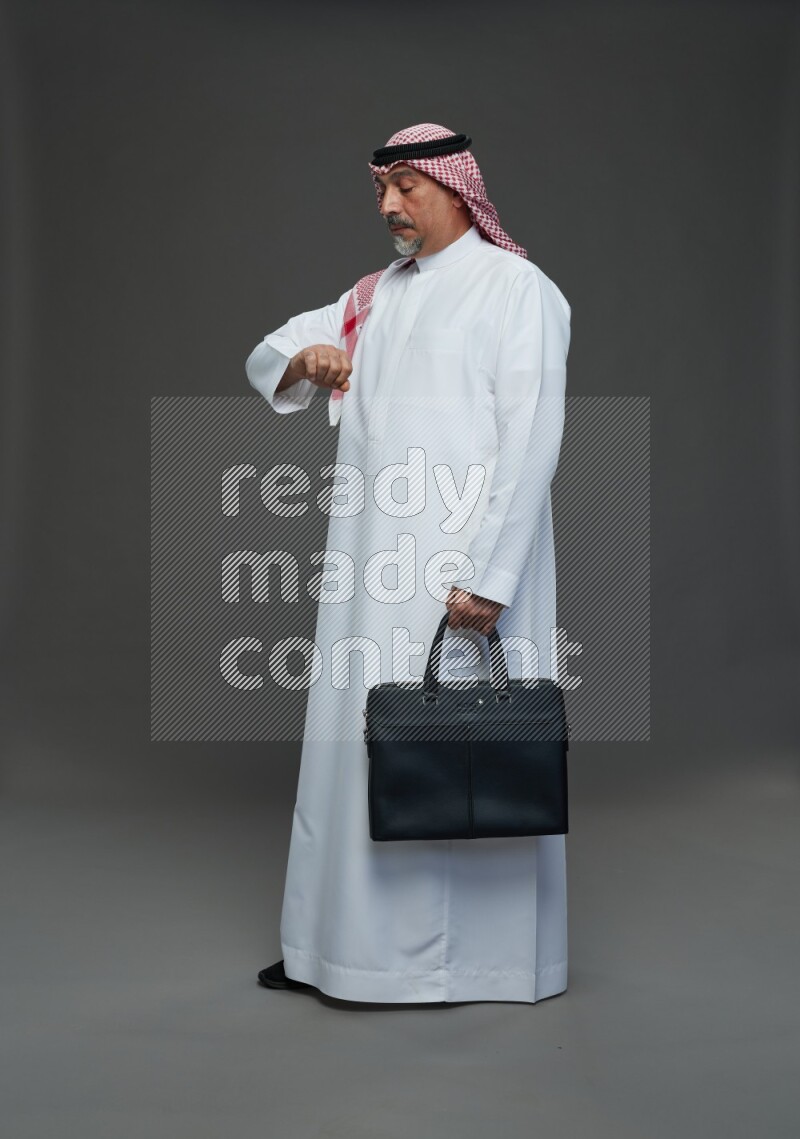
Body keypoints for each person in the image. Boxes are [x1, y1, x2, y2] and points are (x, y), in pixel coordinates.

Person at [246, 123, 572, 1004]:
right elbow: (271, 353)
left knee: (463, 750)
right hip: (369, 575)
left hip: (461, 577)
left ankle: (471, 964)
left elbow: (533, 437)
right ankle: (341, 953)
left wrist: (494, 577)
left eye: (406, 188)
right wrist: (304, 359)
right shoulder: (371, 298)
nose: (389, 206)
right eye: (380, 191)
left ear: (458, 189)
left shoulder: (518, 291)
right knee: (359, 748)